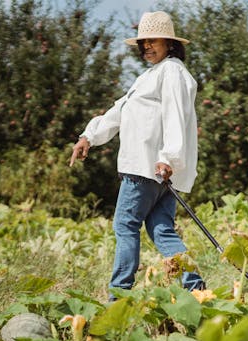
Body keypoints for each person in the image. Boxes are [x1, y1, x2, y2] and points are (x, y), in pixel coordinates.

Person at [69, 10, 204, 298]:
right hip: (157, 168)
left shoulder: (172, 72)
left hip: (148, 167)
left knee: (125, 225)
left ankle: (119, 295)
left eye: (152, 41)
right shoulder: (150, 76)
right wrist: (88, 136)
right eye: (143, 44)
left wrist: (168, 158)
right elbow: (119, 111)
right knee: (161, 228)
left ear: (169, 42)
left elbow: (175, 116)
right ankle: (195, 289)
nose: (146, 47)